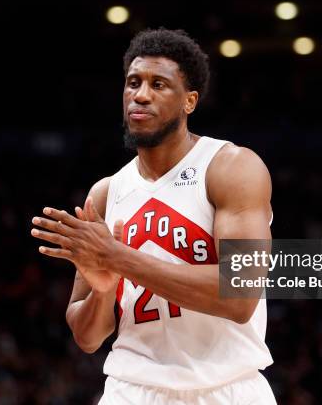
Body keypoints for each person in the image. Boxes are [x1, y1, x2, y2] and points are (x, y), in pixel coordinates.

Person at [31, 28, 276, 404]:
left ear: (189, 101)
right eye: (133, 83)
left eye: (158, 84)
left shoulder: (230, 168)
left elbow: (240, 294)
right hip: (131, 389)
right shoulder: (107, 192)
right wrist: (103, 288)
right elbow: (88, 337)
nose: (140, 95)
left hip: (226, 388)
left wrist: (118, 257)